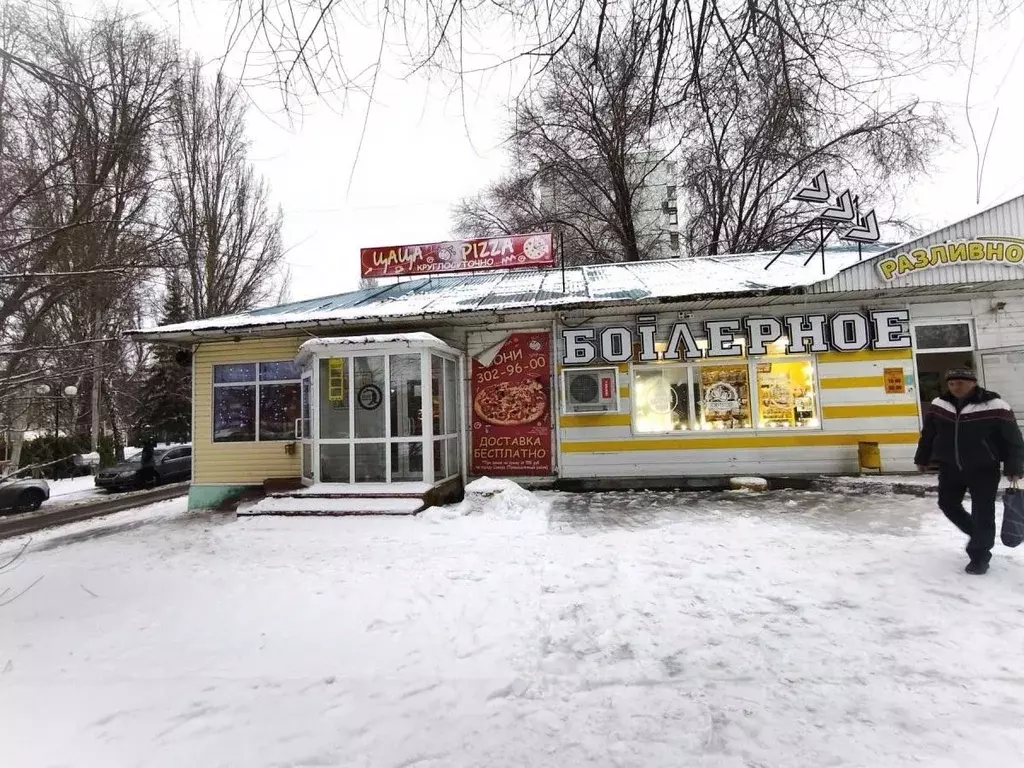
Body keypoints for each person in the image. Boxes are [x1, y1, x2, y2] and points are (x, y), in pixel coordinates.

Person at [915, 368, 1024, 574]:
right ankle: (979, 536)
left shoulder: (995, 405)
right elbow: (928, 434)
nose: (956, 387)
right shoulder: (939, 405)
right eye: (952, 383)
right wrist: (922, 457)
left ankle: (980, 556)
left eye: (961, 383)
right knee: (947, 504)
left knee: (983, 511)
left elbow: (1014, 440)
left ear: (973, 382)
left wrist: (1015, 467)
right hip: (949, 467)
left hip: (984, 468)